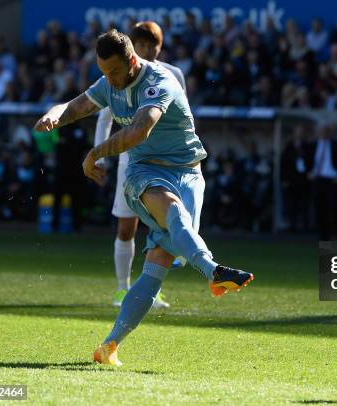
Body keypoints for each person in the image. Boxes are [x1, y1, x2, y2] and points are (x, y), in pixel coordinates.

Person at [34, 29, 254, 366]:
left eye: (114, 72)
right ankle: (213, 271)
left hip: (189, 174)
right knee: (173, 210)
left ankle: (108, 347)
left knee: (157, 266)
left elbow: (139, 130)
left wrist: (94, 153)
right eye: (103, 72)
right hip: (143, 172)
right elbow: (77, 106)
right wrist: (55, 113)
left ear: (133, 61)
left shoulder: (159, 81)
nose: (108, 80)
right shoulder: (110, 83)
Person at [93, 21, 186, 308]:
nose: (146, 49)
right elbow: (104, 117)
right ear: (133, 48)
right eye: (141, 44)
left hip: (165, 162)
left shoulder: (172, 74)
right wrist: (100, 154)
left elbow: (183, 117)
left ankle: (151, 290)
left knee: (165, 226)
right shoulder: (119, 75)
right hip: (130, 162)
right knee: (126, 227)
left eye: (151, 44)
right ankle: (123, 289)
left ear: (160, 45)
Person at [307, 122, 337, 241]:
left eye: (325, 131)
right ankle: (323, 237)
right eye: (321, 131)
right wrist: (309, 173)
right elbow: (307, 161)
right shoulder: (312, 145)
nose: (323, 133)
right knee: (320, 209)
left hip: (333, 181)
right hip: (318, 180)